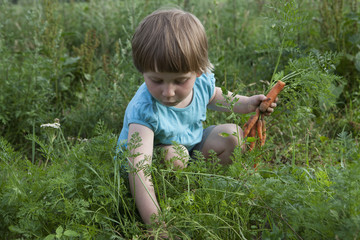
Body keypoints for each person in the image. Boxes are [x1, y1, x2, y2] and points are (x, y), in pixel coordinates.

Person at [117, 8, 277, 228]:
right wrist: (157, 228)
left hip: (190, 151)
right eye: (156, 80)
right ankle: (166, 202)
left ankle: (195, 190)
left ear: (199, 71)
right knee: (175, 155)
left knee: (233, 136)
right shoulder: (144, 110)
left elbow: (218, 97)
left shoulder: (201, 84)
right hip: (154, 166)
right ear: (142, 71)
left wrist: (249, 104)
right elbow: (139, 171)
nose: (168, 92)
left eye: (180, 81)